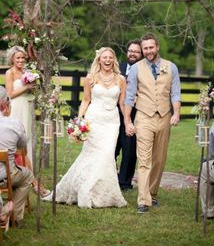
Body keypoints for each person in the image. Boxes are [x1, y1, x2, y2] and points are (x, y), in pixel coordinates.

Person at [43, 47, 127, 208]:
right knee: (90, 155)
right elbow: (86, 100)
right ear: (99, 60)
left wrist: (128, 121)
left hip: (112, 122)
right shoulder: (90, 78)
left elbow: (122, 103)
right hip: (94, 119)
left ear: (114, 60)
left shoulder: (121, 79)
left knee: (107, 155)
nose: (107, 60)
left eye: (110, 57)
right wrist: (80, 119)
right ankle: (84, 189)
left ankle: (103, 194)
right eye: (104, 58)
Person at [124, 33, 181, 213]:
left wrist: (176, 113)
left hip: (164, 117)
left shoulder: (171, 67)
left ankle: (152, 193)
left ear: (157, 47)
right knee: (144, 159)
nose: (148, 51)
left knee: (159, 159)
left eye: (151, 47)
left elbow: (175, 93)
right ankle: (143, 200)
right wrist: (127, 121)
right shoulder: (135, 69)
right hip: (143, 117)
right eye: (145, 48)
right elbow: (130, 96)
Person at [5, 45, 50, 198]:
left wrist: (34, 87)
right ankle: (26, 178)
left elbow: (33, 89)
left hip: (27, 107)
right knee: (17, 141)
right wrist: (26, 87)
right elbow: (9, 94)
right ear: (12, 59)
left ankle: (26, 175)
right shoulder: (9, 73)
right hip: (16, 108)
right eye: (18, 58)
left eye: (23, 58)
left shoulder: (27, 73)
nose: (21, 60)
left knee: (27, 140)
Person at [0, 86, 34, 227]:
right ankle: (16, 218)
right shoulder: (15, 124)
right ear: (4, 105)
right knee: (27, 176)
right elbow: (22, 146)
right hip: (5, 176)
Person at [115, 39, 142, 191]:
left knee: (130, 150)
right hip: (114, 114)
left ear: (141, 54)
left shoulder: (144, 70)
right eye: (130, 51)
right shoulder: (119, 67)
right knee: (111, 147)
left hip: (134, 115)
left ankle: (124, 182)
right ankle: (110, 177)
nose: (132, 54)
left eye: (136, 52)